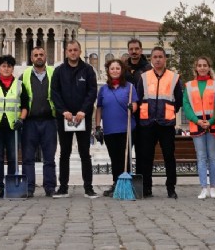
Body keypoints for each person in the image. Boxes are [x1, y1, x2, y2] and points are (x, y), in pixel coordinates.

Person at [51, 40, 98, 198]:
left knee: (85, 152)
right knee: (65, 152)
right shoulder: (58, 71)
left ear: (80, 51)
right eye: (70, 50)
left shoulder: (88, 70)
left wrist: (83, 111)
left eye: (75, 50)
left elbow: (92, 91)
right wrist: (63, 111)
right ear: (66, 52)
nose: (73, 52)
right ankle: (63, 187)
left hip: (82, 117)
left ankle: (88, 188)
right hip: (64, 118)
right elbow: (55, 93)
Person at [135, 46, 182, 199]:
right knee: (146, 157)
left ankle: (171, 188)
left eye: (160, 56)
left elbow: (178, 100)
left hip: (166, 123)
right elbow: (139, 97)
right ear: (151, 59)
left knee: (169, 156)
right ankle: (146, 188)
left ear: (165, 59)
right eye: (155, 57)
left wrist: (168, 111)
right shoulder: (144, 77)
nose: (158, 59)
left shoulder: (174, 77)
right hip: (147, 123)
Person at [0, 55, 29, 198]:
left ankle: (11, 185)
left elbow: (25, 105)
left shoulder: (19, 85)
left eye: (9, 66)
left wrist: (21, 119)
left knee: (12, 157)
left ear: (12, 68)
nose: (6, 69)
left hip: (13, 126)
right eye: (3, 66)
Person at [95, 58, 138, 197]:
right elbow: (99, 108)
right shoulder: (103, 90)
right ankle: (116, 183)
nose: (114, 71)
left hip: (125, 128)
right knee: (114, 158)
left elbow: (135, 104)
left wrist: (133, 107)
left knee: (124, 158)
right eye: (112, 68)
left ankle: (125, 183)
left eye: (117, 68)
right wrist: (97, 127)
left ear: (122, 71)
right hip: (109, 129)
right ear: (108, 71)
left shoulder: (130, 87)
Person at [19, 46, 57, 198]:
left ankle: (50, 187)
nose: (39, 57)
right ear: (31, 58)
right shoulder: (24, 75)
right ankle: (28, 188)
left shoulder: (54, 74)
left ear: (45, 56)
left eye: (41, 54)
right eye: (36, 55)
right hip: (30, 121)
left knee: (49, 157)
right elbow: (19, 98)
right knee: (28, 157)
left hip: (49, 120)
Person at [183, 56, 215, 199]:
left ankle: (213, 187)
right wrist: (197, 121)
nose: (202, 68)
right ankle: (203, 187)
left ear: (209, 67)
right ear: (196, 68)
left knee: (212, 157)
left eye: (205, 65)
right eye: (200, 65)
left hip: (211, 124)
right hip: (196, 125)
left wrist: (211, 121)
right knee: (201, 157)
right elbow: (186, 106)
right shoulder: (189, 85)